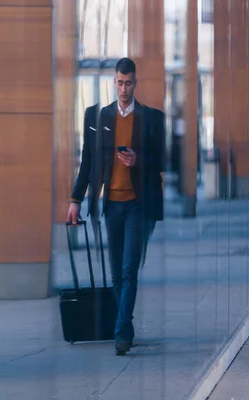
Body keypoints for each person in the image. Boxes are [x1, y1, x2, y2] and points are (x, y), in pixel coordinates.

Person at [67, 57, 166, 355]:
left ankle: (122, 330)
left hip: (137, 203)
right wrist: (75, 201)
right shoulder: (100, 118)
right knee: (115, 273)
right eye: (120, 83)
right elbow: (88, 162)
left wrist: (139, 161)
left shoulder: (150, 118)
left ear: (135, 83)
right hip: (110, 204)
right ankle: (126, 323)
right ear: (114, 82)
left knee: (128, 269)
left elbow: (162, 161)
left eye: (129, 83)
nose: (124, 89)